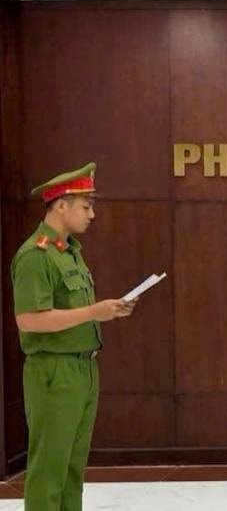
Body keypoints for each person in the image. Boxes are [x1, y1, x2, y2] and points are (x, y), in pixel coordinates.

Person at [11, 162, 138, 510]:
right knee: (49, 468)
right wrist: (93, 312)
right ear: (61, 205)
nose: (92, 214)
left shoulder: (70, 253)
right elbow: (29, 320)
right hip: (54, 372)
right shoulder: (36, 255)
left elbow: (72, 313)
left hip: (83, 369)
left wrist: (108, 310)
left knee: (71, 468)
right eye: (86, 206)